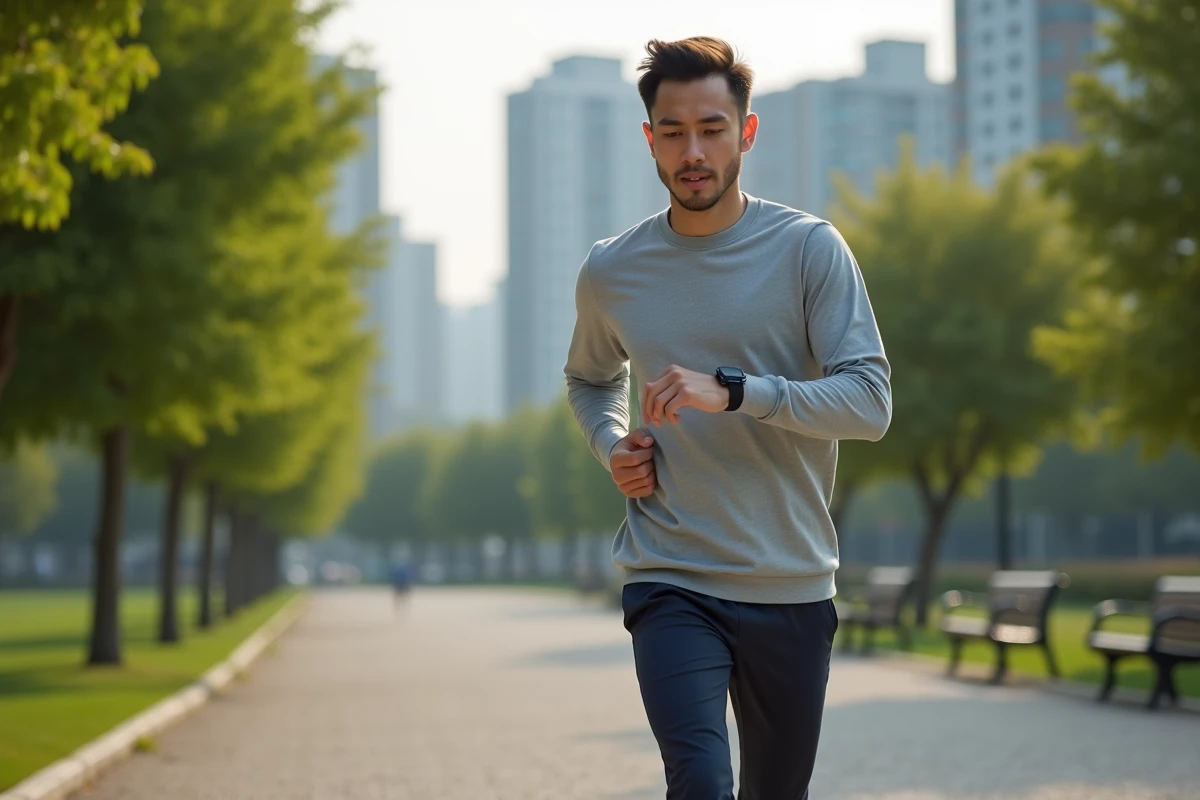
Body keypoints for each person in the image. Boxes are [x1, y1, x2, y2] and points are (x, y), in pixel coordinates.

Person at [562, 36, 892, 800]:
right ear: (649, 140)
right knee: (701, 782)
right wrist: (612, 443)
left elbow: (869, 404)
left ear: (746, 131)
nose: (693, 151)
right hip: (671, 574)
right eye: (673, 133)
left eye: (712, 128)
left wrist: (740, 391)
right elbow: (589, 377)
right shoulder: (613, 268)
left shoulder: (810, 251)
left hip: (791, 581)